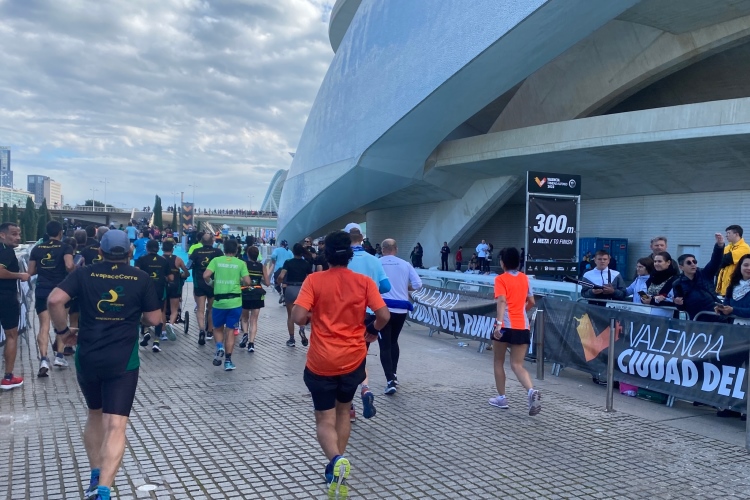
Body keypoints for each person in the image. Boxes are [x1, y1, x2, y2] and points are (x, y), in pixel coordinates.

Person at [47, 230, 162, 500]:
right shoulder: (141, 278)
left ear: (100, 252)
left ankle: (94, 475)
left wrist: (63, 332)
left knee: (95, 414)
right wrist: (135, 318)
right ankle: (103, 491)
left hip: (88, 356)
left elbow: (54, 300)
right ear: (130, 252)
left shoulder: (84, 273)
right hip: (122, 360)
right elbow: (154, 319)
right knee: (116, 425)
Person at [291, 230, 389, 497]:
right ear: (349, 256)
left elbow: (298, 317)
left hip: (321, 361)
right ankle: (337, 468)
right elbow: (383, 315)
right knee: (344, 412)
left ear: (327, 254)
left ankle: (335, 460)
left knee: (325, 417)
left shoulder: (314, 280)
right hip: (353, 359)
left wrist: (314, 315)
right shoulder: (364, 282)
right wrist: (372, 330)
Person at [488, 247, 541, 416]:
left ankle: (502, 398)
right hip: (522, 326)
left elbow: (502, 301)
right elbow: (532, 301)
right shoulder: (525, 278)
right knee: (517, 364)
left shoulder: (500, 279)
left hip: (505, 325)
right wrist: (521, 311)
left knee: (498, 361)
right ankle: (531, 391)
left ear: (502, 262)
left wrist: (498, 324)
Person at [29, 220, 75, 376]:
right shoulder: (66, 247)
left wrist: (44, 269)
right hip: (60, 291)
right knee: (62, 324)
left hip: (42, 289)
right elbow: (69, 266)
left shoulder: (37, 248)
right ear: (61, 232)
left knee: (44, 326)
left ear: (47, 232)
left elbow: (31, 271)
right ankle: (59, 356)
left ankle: (43, 359)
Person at [378, 239, 422, 394]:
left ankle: (390, 380)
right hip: (401, 309)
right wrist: (405, 287)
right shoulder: (405, 264)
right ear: (395, 249)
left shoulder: (377, 263)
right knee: (393, 341)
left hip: (383, 308)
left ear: (382, 249)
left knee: (384, 344)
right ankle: (394, 374)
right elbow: (418, 284)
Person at [203, 239, 250, 371]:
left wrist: (212, 283)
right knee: (230, 331)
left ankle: (219, 347)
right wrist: (240, 282)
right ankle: (228, 361)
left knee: (217, 328)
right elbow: (247, 281)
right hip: (235, 302)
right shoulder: (240, 263)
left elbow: (206, 275)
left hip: (219, 302)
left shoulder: (216, 261)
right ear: (236, 250)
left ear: (224, 249)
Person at [0, 222, 30, 389]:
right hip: (6, 299)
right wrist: (20, 275)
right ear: (2, 235)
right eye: (13, 234)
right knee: (11, 335)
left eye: (19, 234)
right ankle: (8, 377)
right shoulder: (6, 251)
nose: (18, 237)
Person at [672, 234, 725, 320]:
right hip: (696, 319)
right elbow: (681, 308)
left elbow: (715, 261)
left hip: (716, 316)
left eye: (694, 261)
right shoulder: (677, 283)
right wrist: (678, 303)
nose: (693, 264)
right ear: (681, 267)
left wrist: (719, 246)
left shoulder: (705, 273)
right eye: (689, 263)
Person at [136, 239, 174, 351]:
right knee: (160, 314)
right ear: (158, 248)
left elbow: (136, 272)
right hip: (159, 291)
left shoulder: (141, 259)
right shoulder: (163, 261)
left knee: (143, 311)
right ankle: (156, 341)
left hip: (144, 290)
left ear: (146, 248)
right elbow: (171, 277)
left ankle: (146, 331)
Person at [189, 233, 224, 345]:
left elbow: (188, 265)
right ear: (212, 242)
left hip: (199, 283)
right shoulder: (218, 252)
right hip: (213, 284)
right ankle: (209, 331)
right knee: (211, 308)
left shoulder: (196, 251)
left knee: (200, 309)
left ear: (201, 242)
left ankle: (201, 330)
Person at [278, 243, 313, 347]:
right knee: (302, 313)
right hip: (302, 290)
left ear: (293, 252)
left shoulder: (288, 262)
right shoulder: (306, 263)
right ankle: (302, 329)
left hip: (290, 288)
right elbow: (310, 277)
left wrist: (279, 282)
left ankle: (292, 339)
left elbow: (281, 276)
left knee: (290, 315)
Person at [238, 245, 271, 353]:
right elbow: (267, 283)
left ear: (248, 254)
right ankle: (251, 343)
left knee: (244, 318)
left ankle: (245, 334)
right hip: (257, 294)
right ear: (257, 255)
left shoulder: (244, 264)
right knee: (254, 320)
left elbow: (240, 279)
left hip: (245, 293)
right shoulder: (261, 266)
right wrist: (259, 280)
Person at [161, 239, 189, 337]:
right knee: (174, 309)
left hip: (163, 286)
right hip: (175, 286)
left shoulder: (160, 259)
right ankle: (171, 325)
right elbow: (187, 273)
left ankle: (163, 330)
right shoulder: (178, 259)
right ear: (173, 249)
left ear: (162, 249)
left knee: (163, 310)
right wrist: (181, 275)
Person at [716, 225, 750, 296]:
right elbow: (720, 264)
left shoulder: (744, 248)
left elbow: (725, 260)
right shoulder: (727, 247)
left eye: (729, 233)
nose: (726, 235)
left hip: (734, 286)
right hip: (722, 286)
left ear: (736, 234)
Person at [270, 240, 293, 305]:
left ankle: (280, 293)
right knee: (285, 283)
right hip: (287, 269)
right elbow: (292, 259)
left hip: (278, 268)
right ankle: (285, 298)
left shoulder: (277, 250)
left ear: (281, 244)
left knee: (276, 283)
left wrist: (274, 261)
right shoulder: (289, 251)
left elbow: (273, 256)